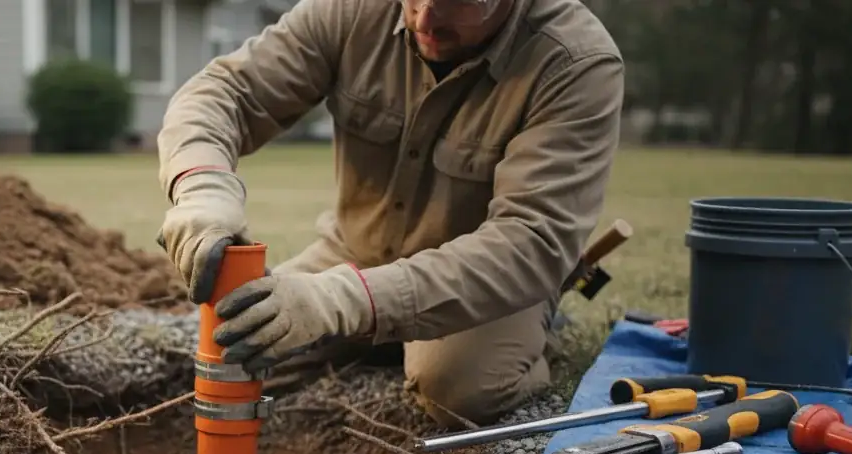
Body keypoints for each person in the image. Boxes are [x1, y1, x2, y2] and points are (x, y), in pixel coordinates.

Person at [155, 0, 624, 427]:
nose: (425, 19)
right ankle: (381, 337)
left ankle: (538, 332)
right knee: (236, 342)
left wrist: (341, 302)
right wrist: (202, 188)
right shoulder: (352, 10)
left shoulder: (575, 63)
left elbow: (530, 242)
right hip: (355, 253)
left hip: (486, 283)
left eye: (455, 4)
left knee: (456, 389)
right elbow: (226, 91)